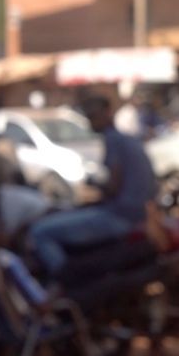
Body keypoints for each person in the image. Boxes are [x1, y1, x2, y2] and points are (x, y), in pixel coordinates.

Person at [27, 92, 156, 278]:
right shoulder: (126, 139)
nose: (91, 122)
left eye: (94, 116)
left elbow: (113, 186)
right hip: (133, 213)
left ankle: (65, 281)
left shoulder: (114, 139)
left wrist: (94, 187)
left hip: (121, 216)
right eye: (89, 117)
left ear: (107, 113)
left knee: (41, 232)